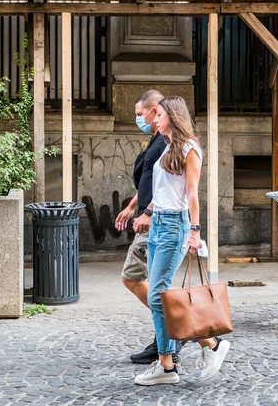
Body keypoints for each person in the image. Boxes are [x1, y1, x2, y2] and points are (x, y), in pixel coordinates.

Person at [133, 96, 230, 386]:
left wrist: (195, 231)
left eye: (159, 114)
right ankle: (196, 351)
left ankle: (177, 360)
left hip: (176, 226)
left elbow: (191, 195)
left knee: (157, 294)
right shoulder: (167, 147)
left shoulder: (190, 149)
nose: (154, 119)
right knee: (161, 295)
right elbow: (163, 191)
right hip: (159, 224)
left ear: (173, 116)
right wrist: (148, 212)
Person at [115, 89, 184, 364]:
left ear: (157, 110)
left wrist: (147, 212)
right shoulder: (156, 139)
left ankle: (174, 334)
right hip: (149, 218)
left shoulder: (170, 141)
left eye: (140, 114)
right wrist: (133, 206)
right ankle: (168, 335)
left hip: (160, 221)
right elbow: (150, 179)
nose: (138, 120)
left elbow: (171, 186)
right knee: (146, 283)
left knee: (147, 285)